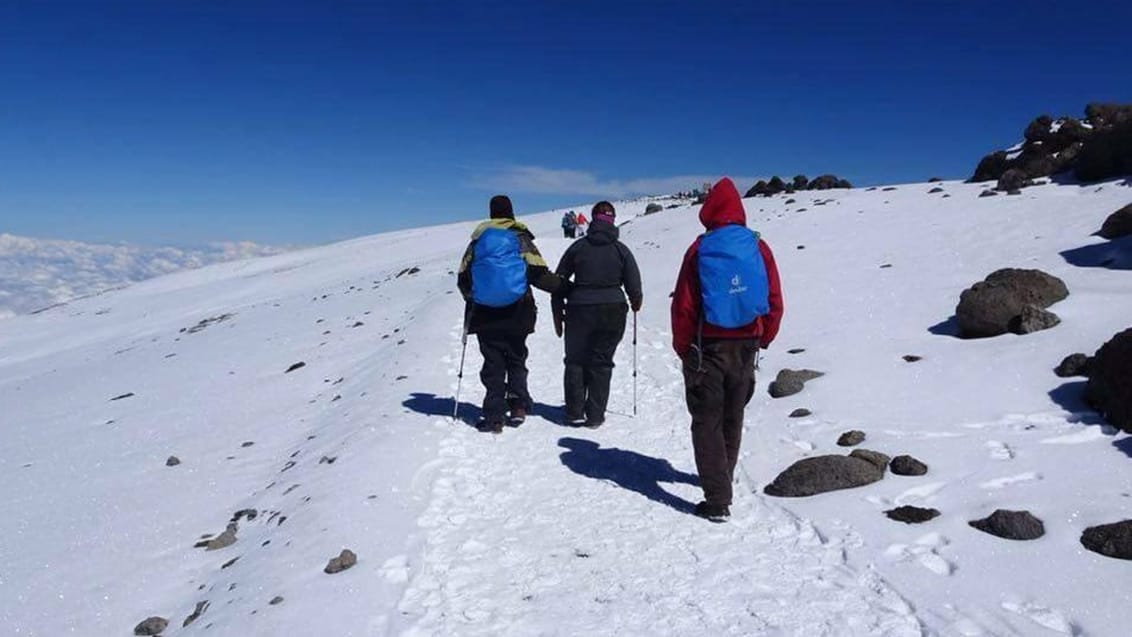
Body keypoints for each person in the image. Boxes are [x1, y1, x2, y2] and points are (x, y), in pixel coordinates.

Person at [670, 177, 784, 521]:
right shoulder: (758, 247)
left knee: (707, 421)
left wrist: (682, 346)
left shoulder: (700, 248)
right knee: (733, 416)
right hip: (747, 346)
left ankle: (718, 499)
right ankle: (724, 476)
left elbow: (684, 307)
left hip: (708, 347)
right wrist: (764, 337)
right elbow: (775, 300)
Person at [457, 195, 569, 433]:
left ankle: (494, 416)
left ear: (491, 213)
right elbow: (539, 274)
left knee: (493, 363)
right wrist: (568, 288)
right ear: (511, 212)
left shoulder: (478, 241)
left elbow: (463, 278)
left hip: (485, 315)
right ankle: (518, 406)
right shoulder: (520, 237)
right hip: (519, 311)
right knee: (517, 358)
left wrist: (474, 298)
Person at [552, 201, 642, 428]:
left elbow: (559, 280)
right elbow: (634, 286)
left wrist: (558, 306)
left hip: (579, 308)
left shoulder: (578, 247)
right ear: (613, 221)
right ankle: (595, 415)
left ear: (592, 220)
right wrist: (635, 302)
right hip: (613, 310)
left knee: (575, 360)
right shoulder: (621, 250)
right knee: (601, 362)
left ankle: (574, 412)